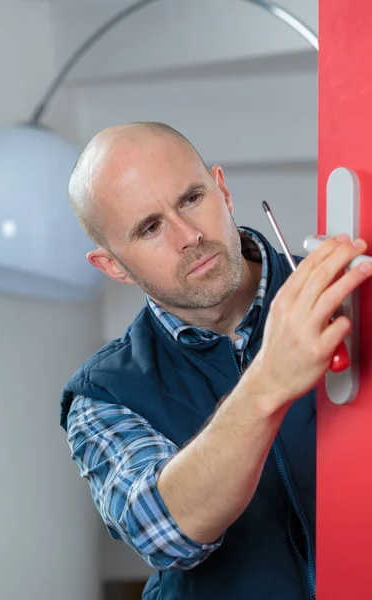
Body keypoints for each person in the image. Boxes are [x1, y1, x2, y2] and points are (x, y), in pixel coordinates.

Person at [60, 121, 372, 600]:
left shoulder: (350, 296)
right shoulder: (101, 394)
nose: (189, 235)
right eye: (149, 227)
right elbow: (163, 533)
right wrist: (269, 381)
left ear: (222, 189)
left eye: (190, 198)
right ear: (113, 266)